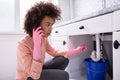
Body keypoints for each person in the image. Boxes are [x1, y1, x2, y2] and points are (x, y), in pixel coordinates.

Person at [16, 1, 87, 80]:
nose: (51, 29)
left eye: (51, 24)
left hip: (38, 70)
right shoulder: (22, 44)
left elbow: (54, 52)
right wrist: (37, 45)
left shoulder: (43, 38)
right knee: (64, 75)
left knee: (63, 60)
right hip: (28, 77)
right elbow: (34, 75)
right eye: (47, 24)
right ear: (36, 25)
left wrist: (76, 50)